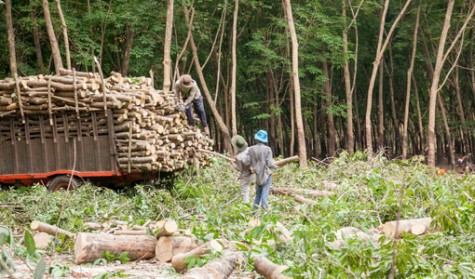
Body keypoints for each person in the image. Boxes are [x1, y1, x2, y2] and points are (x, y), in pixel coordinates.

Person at [248, 130, 277, 210]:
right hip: (266, 174)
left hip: (257, 175)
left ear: (256, 138)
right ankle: (266, 211)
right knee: (265, 195)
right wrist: (276, 166)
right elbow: (270, 163)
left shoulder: (251, 149)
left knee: (258, 195)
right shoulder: (267, 149)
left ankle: (254, 212)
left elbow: (249, 162)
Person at [231, 135, 253, 203]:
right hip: (256, 172)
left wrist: (232, 163)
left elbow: (240, 169)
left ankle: (246, 206)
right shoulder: (250, 149)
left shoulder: (239, 157)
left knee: (245, 191)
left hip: (246, 175)